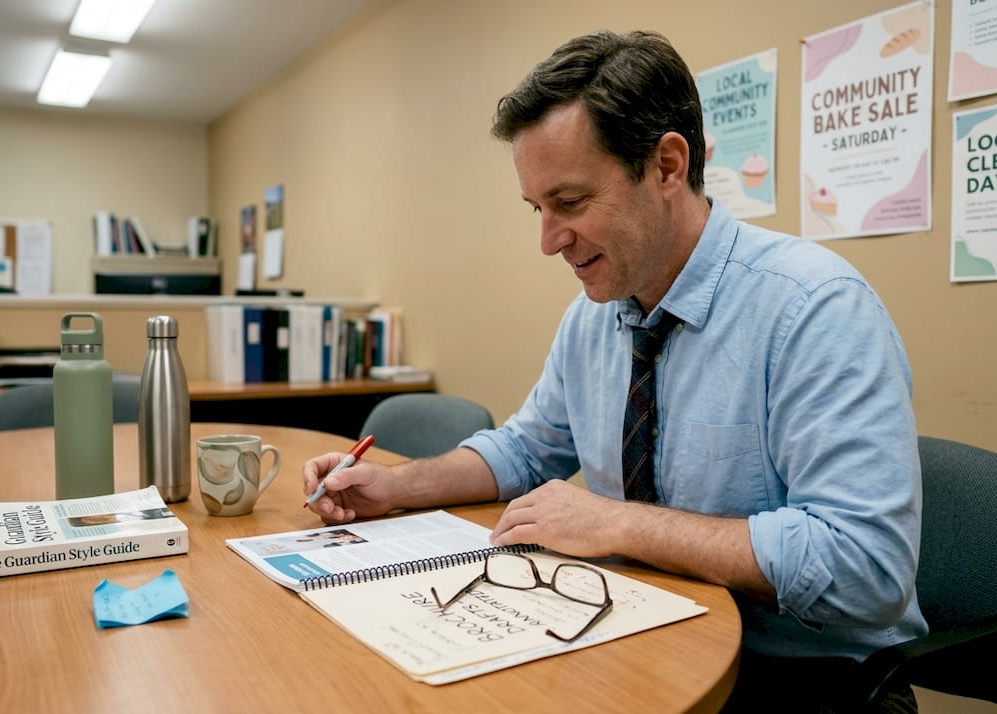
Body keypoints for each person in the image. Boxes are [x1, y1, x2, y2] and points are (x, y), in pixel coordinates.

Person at [303, 30, 925, 712]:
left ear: (666, 166)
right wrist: (394, 486)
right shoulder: (594, 316)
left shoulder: (813, 307)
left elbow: (865, 564)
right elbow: (527, 448)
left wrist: (620, 524)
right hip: (640, 634)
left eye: (569, 204)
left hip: (805, 675)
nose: (548, 242)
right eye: (537, 210)